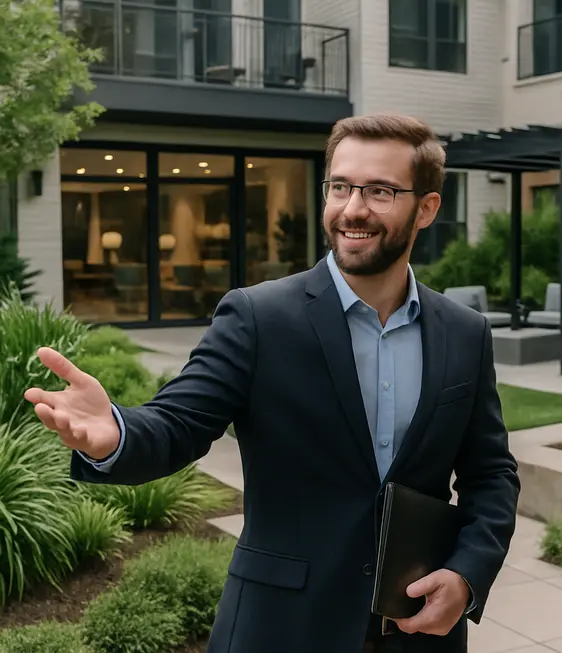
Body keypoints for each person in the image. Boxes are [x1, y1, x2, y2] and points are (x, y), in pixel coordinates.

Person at [24, 113, 521, 653]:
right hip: (279, 629)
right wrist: (117, 434)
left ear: (426, 208)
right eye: (340, 187)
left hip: (418, 634)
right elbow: (179, 423)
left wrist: (467, 575)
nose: (354, 208)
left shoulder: (465, 333)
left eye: (380, 190)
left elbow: (491, 474)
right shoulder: (258, 317)